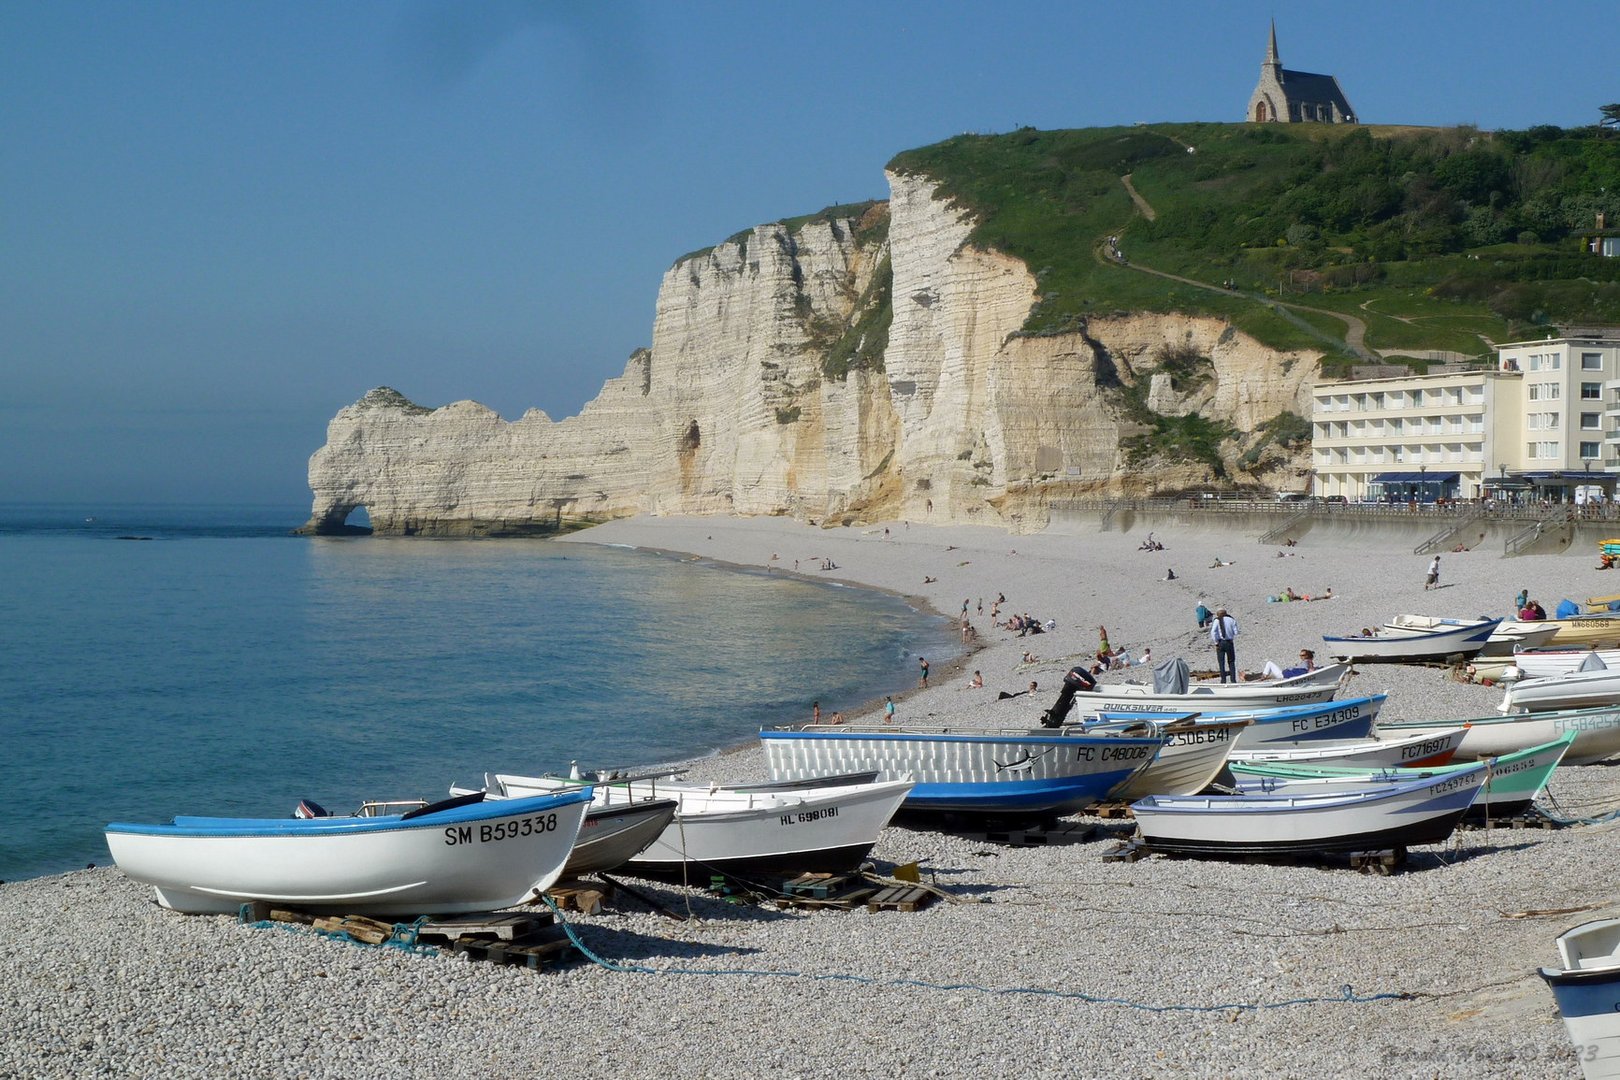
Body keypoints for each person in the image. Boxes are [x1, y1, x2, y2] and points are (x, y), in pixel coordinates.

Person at [1209, 606, 1239, 683]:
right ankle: (1233, 680)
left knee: (1221, 662)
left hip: (1221, 642)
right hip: (1229, 642)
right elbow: (1236, 632)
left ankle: (1223, 680)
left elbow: (1213, 632)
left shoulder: (1217, 620)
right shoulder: (1231, 619)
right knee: (1231, 661)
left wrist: (1216, 642)